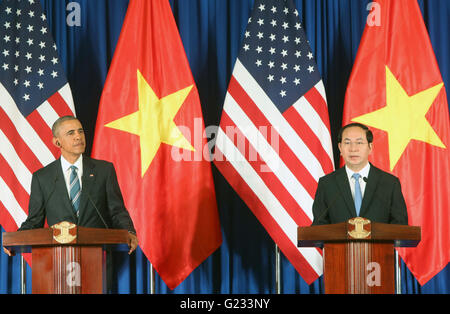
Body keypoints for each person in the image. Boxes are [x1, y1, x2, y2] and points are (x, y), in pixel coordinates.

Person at [3, 116, 138, 256]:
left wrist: (129, 232)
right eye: (71, 133)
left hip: (99, 259)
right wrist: (15, 240)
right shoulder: (42, 177)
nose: (78, 137)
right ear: (57, 142)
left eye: (80, 131)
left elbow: (117, 211)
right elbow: (34, 220)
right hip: (58, 260)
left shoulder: (104, 170)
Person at [312, 122, 408, 225]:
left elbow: (400, 226)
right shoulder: (327, 184)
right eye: (347, 143)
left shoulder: (389, 183)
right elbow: (318, 227)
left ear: (370, 147)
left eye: (359, 142)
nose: (353, 149)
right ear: (340, 148)